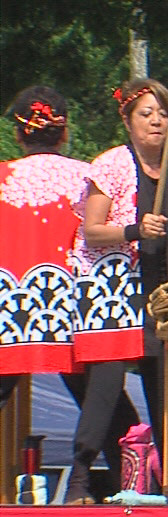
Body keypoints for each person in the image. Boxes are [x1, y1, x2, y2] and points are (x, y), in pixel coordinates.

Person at [66, 78, 168, 504]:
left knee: (167, 392)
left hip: (163, 295)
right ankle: (78, 484)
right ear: (128, 121)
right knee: (105, 390)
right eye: (146, 113)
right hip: (111, 289)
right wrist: (134, 228)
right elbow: (91, 231)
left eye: (163, 113)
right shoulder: (109, 164)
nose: (156, 121)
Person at [0, 86, 137, 490]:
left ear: (18, 133)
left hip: (10, 312)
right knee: (107, 407)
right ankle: (127, 489)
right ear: (65, 132)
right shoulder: (91, 177)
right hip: (77, 311)